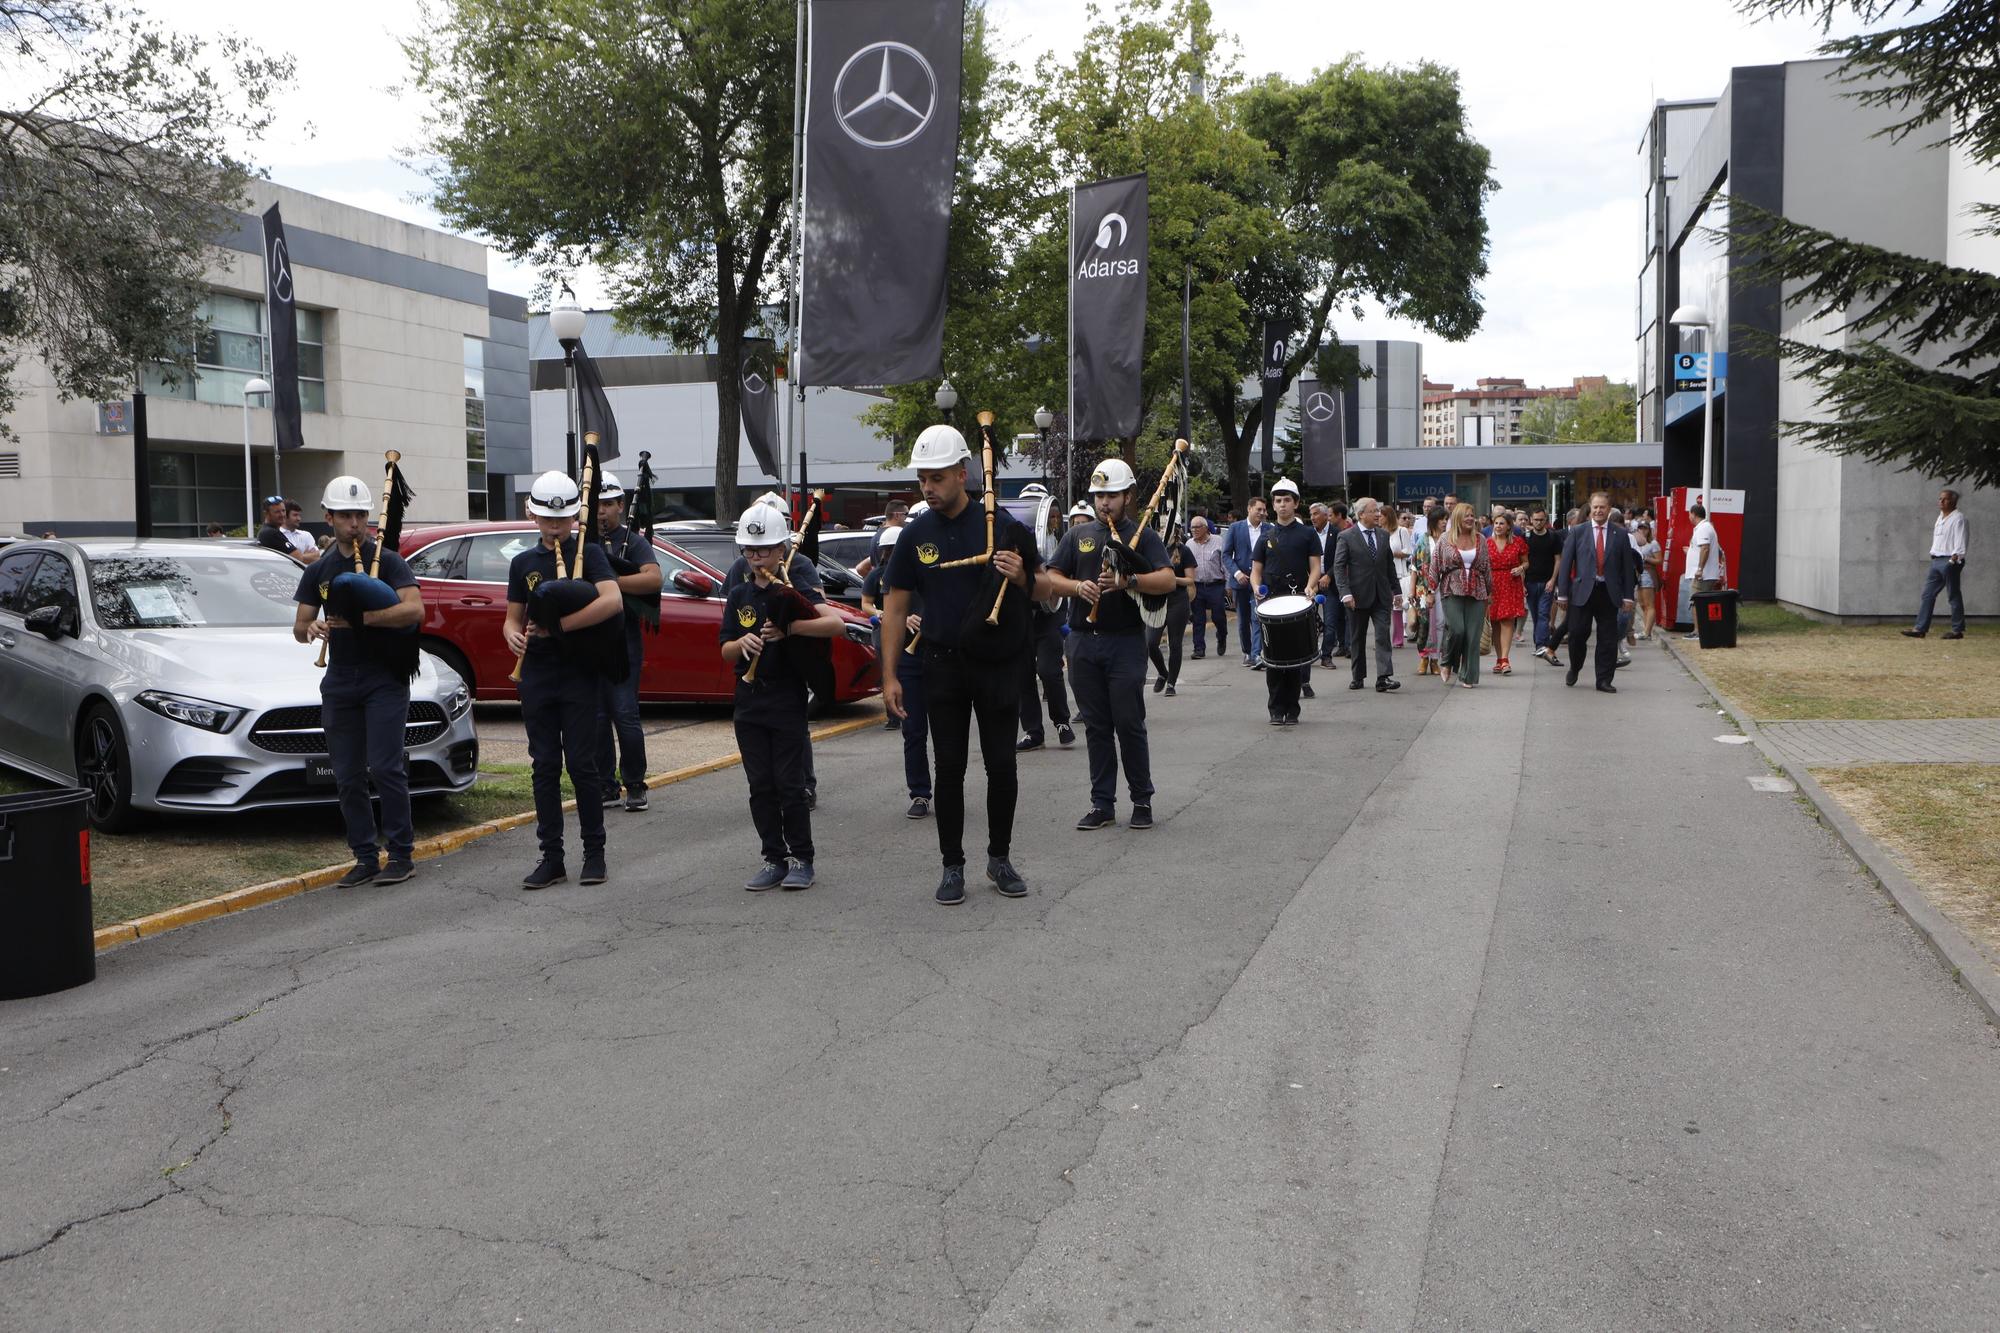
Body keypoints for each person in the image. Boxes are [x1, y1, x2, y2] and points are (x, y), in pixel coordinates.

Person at [882, 425, 1041, 905]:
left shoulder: (1003, 525)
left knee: (1002, 766)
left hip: (995, 662)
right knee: (948, 769)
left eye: (937, 477)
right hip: (942, 663)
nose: (928, 487)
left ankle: (999, 857)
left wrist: (1020, 578)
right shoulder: (915, 534)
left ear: (962, 472)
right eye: (922, 479)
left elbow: (1039, 586)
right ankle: (952, 865)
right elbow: (894, 606)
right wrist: (888, 675)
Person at [291, 475, 424, 888]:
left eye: (360, 515)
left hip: (384, 677)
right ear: (328, 517)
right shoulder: (321, 569)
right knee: (346, 774)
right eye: (346, 515)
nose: (355, 523)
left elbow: (414, 611)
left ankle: (401, 854)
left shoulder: (389, 560)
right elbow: (299, 626)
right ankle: (365, 856)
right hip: (340, 679)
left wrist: (360, 622)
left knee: (386, 767)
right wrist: (312, 628)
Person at [504, 470, 625, 889]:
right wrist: (514, 637)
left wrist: (561, 628)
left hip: (578, 672)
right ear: (532, 515)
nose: (556, 528)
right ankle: (551, 857)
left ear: (575, 517)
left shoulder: (588, 555)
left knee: (582, 764)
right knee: (544, 766)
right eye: (548, 520)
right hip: (536, 673)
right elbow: (511, 619)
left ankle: (595, 853)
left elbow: (612, 601)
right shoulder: (522, 563)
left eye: (563, 520)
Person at [1044, 457, 1175, 830]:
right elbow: (1052, 576)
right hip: (1083, 642)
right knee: (1097, 727)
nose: (1104, 503)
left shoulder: (1143, 533)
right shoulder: (1078, 535)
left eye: (1112, 495)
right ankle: (1102, 803)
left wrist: (1128, 582)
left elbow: (1166, 580)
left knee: (1129, 723)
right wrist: (1076, 587)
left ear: (1128, 496)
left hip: (1125, 642)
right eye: (1099, 495)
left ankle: (1142, 800)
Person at [720, 502, 841, 890]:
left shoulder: (793, 589)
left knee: (790, 785)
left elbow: (834, 624)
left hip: (786, 696)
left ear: (781, 550)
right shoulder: (738, 592)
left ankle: (802, 859)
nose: (756, 558)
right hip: (749, 699)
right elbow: (724, 649)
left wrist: (789, 631)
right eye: (750, 551)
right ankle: (773, 857)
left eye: (765, 550)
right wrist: (742, 642)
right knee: (761, 786)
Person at [592, 471, 662, 813]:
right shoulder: (582, 540)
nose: (602, 511)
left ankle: (635, 783)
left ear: (621, 505)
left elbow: (653, 579)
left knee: (624, 712)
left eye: (608, 504)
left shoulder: (633, 541)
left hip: (623, 638)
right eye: (596, 505)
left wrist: (611, 581)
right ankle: (606, 785)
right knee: (596, 715)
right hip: (588, 638)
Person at [1251, 478, 1321, 726]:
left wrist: (1311, 586)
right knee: (1272, 658)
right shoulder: (1265, 536)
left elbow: (1315, 567)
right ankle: (1275, 709)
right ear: (1273, 504)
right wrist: (1256, 588)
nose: (1282, 505)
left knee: (1294, 658)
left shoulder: (1308, 534)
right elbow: (1256, 570)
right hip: (1270, 602)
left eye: (1287, 501)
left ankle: (1292, 708)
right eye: (1278, 501)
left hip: (1297, 601)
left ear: (1296, 503)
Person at [1553, 491, 1639, 693]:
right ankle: (1575, 667)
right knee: (1576, 634)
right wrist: (1562, 594)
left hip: (1608, 593)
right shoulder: (1578, 532)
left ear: (1609, 510)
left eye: (1603, 507)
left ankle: (1604, 680)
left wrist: (1628, 596)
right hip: (1582, 592)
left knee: (1608, 639)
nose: (1599, 511)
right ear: (1590, 509)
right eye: (1595, 507)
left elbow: (1627, 568)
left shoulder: (1620, 536)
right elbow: (1566, 564)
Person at [1332, 497, 1402, 693]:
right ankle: (1358, 676)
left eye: (1378, 511)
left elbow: (1389, 565)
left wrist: (1396, 590)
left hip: (1381, 595)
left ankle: (1383, 677)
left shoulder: (1382, 535)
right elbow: (1339, 567)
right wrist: (1345, 593)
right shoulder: (1346, 536)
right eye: (1374, 511)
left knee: (1382, 636)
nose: (1378, 514)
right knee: (1357, 638)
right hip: (1357, 596)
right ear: (1361, 514)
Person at [1435, 502, 1493, 689]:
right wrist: (1429, 591)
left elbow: (1486, 567)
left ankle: (1468, 676)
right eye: (1466, 515)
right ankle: (1446, 661)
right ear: (1458, 517)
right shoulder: (1445, 539)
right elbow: (1435, 564)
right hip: (1452, 589)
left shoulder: (1481, 539)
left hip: (1477, 591)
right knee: (1457, 629)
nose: (1470, 518)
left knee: (1472, 635)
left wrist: (1489, 593)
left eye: (1472, 515)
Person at [1904, 488, 1969, 639]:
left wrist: (1952, 561)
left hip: (1949, 561)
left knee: (1953, 595)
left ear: (1953, 501)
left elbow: (1961, 542)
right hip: (1936, 561)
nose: (1941, 501)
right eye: (1940, 499)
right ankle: (1920, 629)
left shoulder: (1958, 518)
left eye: (1944, 499)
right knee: (1927, 594)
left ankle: (1957, 630)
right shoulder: (1940, 518)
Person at [1146, 524, 1194, 697]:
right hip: (1156, 600)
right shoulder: (1151, 548)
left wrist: (1171, 579)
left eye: (1167, 527)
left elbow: (1190, 580)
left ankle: (1171, 682)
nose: (1163, 530)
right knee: (1150, 643)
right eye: (1160, 527)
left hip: (1177, 601)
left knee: (1175, 643)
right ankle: (1162, 672)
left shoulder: (1184, 550)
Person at [1224, 498, 1269, 667]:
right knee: (1243, 620)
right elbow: (1226, 554)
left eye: (1264, 510)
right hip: (1240, 582)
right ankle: (1247, 651)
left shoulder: (1269, 529)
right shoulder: (1236, 528)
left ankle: (1257, 654)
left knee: (1257, 617)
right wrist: (1236, 573)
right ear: (1249, 509)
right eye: (1259, 509)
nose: (1262, 513)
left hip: (1260, 582)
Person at [1485, 511, 1528, 674]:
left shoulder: (1517, 542)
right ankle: (1498, 659)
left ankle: (1505, 659)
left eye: (1501, 523)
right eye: (1496, 523)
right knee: (1495, 622)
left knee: (1507, 621)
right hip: (1492, 583)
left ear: (1509, 526)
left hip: (1511, 582)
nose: (1498, 526)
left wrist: (1520, 568)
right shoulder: (1486, 543)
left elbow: (1526, 562)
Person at [1185, 514, 1229, 660]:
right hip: (1197, 585)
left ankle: (1222, 636)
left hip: (1215, 585)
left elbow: (1225, 564)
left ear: (1205, 528)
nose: (1194, 530)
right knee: (1198, 619)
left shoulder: (1218, 541)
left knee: (1218, 616)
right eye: (1192, 527)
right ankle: (1199, 649)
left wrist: (1229, 584)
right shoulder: (1189, 544)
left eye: (1197, 527)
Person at [1523, 508, 1562, 663]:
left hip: (1546, 581)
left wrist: (1553, 580)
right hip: (1530, 581)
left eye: (1541, 519)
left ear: (1546, 520)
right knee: (1535, 614)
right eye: (1536, 519)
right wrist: (1522, 583)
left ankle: (1542, 645)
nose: (1538, 522)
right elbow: (1521, 560)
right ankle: (1539, 644)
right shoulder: (1525, 538)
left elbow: (1558, 559)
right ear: (1531, 520)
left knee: (1543, 613)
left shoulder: (1553, 537)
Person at [1682, 502, 1724, 642]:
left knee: (1696, 601)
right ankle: (1698, 630)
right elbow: (1702, 549)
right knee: (1698, 601)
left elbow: (1705, 548)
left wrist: (1699, 569)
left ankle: (1698, 631)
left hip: (1703, 575)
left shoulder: (1703, 528)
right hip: (1703, 574)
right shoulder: (1703, 528)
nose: (1688, 516)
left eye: (1689, 514)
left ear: (1693, 514)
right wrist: (1691, 552)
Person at [1315, 502, 1350, 662]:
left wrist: (1329, 575)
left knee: (1331, 620)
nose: (1313, 517)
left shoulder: (1337, 533)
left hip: (1331, 583)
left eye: (1316, 514)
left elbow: (1339, 559)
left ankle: (1326, 655)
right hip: (1312, 583)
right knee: (1309, 621)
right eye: (1311, 514)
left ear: (1325, 516)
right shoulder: (1309, 534)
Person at [853, 499, 908, 579]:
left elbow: (860, 568)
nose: (907, 518)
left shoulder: (876, 536)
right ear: (896, 515)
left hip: (882, 587)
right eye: (906, 514)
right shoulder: (896, 535)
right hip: (895, 586)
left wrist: (876, 582)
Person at [257, 495, 310, 566]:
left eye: (283, 510)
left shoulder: (267, 531)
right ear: (266, 514)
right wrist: (308, 555)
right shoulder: (271, 533)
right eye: (277, 512)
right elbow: (298, 558)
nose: (282, 515)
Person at [1632, 520, 1661, 639]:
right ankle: (1646, 630)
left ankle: (1647, 632)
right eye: (1640, 528)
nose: (1643, 530)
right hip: (1637, 574)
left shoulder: (1653, 543)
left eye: (1645, 528)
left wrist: (1646, 558)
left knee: (1649, 604)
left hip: (1648, 574)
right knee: (1642, 604)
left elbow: (1659, 560)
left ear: (1649, 530)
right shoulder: (1636, 542)